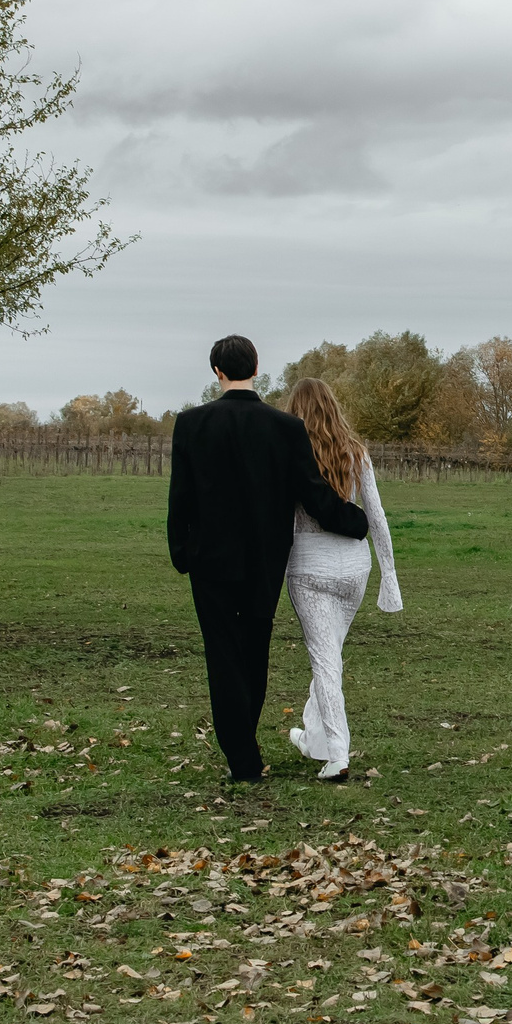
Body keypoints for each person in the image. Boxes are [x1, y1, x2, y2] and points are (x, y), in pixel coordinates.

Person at [167, 335, 370, 782]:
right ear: (256, 368)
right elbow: (312, 493)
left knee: (222, 653)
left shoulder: (191, 424)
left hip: (209, 559)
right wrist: (355, 520)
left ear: (217, 371)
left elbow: (180, 495)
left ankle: (242, 757)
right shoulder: (285, 427)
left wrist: (180, 551)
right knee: (254, 648)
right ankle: (246, 743)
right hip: (265, 559)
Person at [281, 378, 402, 781]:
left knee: (324, 658)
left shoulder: (290, 452)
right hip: (354, 566)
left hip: (309, 566)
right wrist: (389, 576)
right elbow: (377, 516)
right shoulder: (355, 451)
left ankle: (337, 753)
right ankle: (312, 739)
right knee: (330, 652)